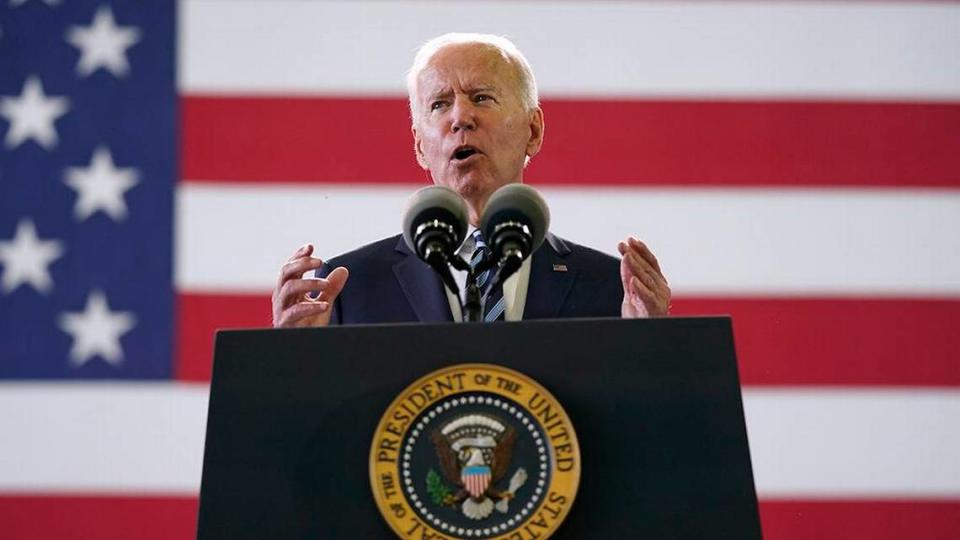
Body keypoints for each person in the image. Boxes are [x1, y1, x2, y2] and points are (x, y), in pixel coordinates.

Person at [272, 33, 670, 328]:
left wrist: (651, 351)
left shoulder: (610, 290)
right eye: (439, 104)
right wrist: (295, 365)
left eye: (481, 97)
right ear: (419, 146)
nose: (460, 118)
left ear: (533, 130)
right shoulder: (346, 290)